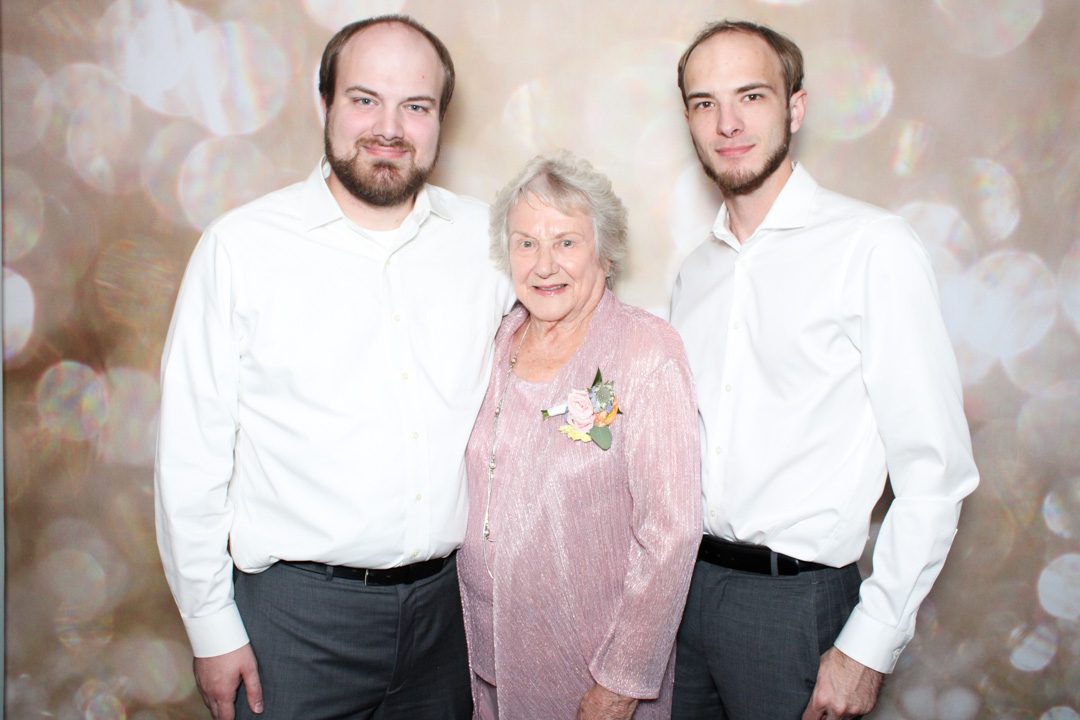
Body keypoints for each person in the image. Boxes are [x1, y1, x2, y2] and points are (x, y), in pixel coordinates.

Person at [155, 15, 513, 720]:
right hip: (295, 621)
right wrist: (210, 626)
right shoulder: (241, 248)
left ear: (441, 118)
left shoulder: (491, 241)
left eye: (416, 106)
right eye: (364, 99)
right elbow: (189, 457)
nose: (390, 128)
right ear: (325, 104)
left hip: (449, 616)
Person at [668, 19, 980, 720]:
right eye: (704, 102)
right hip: (683, 597)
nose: (727, 123)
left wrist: (868, 646)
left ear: (795, 108)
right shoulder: (695, 272)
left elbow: (936, 473)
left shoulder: (872, 247)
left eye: (751, 96)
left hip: (795, 606)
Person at [457, 151, 701, 720]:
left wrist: (621, 680)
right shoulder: (494, 341)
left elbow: (673, 530)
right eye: (526, 243)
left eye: (565, 242)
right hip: (484, 658)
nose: (544, 265)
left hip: (591, 671)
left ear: (604, 252)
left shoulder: (645, 350)